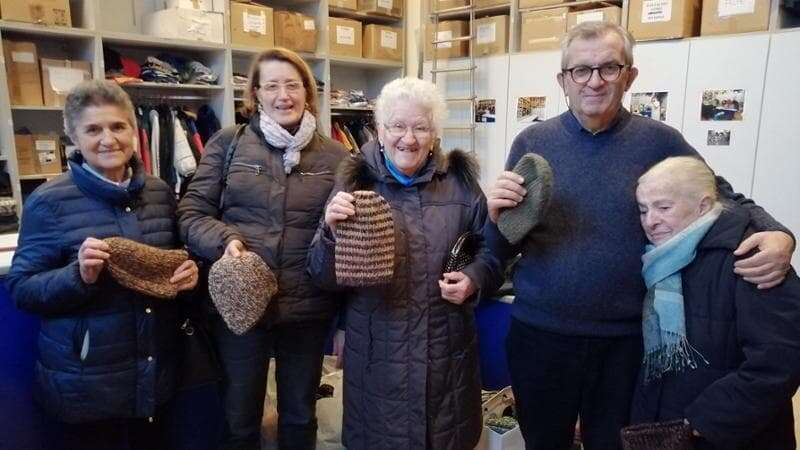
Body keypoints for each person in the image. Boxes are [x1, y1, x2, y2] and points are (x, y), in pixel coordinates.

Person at [484, 22, 795, 450]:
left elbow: (720, 196)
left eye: (609, 68)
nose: (595, 80)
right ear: (563, 81)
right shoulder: (532, 142)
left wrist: (777, 233)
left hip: (626, 343)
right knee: (542, 442)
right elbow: (503, 238)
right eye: (581, 70)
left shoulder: (661, 142)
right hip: (541, 336)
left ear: (630, 76)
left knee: (615, 444)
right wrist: (494, 216)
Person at [307, 77, 502, 450]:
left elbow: (493, 257)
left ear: (435, 133)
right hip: (379, 362)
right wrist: (331, 234)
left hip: (447, 360)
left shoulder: (461, 185)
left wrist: (474, 278)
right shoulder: (353, 183)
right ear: (379, 131)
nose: (408, 139)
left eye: (420, 127)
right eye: (397, 126)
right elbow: (321, 276)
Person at [6, 80, 199, 450]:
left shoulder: (160, 193)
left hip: (155, 372)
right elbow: (23, 289)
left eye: (117, 126)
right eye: (93, 129)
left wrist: (190, 276)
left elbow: (172, 264)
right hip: (87, 383)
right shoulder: (48, 202)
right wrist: (77, 276)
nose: (108, 139)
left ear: (133, 129)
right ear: (73, 137)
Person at [177, 48, 348, 450]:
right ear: (255, 93)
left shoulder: (337, 157)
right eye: (271, 85)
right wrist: (226, 240)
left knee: (300, 414)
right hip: (239, 306)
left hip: (307, 307)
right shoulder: (228, 144)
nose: (282, 95)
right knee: (240, 417)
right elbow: (190, 213)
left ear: (307, 91)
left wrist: (343, 317)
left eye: (292, 85)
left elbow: (346, 240)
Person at [631, 156, 800, 450]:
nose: (650, 221)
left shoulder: (752, 257)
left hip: (726, 434)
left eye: (664, 207)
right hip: (675, 426)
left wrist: (702, 422)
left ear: (704, 206)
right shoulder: (664, 260)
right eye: (643, 210)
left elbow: (779, 361)